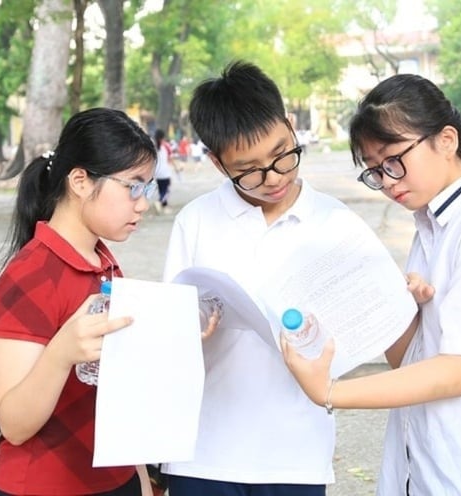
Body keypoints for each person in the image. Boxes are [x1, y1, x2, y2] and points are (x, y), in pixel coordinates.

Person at [282, 74, 461, 495]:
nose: (388, 180)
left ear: (446, 140)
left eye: (394, 159)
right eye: (375, 171)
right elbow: (412, 363)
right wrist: (387, 304)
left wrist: (329, 392)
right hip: (427, 467)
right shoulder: (431, 227)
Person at [161, 61, 412, 496]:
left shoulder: (336, 223)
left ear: (291, 128)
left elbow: (397, 341)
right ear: (219, 163)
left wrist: (409, 300)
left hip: (296, 454)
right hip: (204, 452)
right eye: (251, 169)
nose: (274, 177)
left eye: (282, 155)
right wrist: (186, 331)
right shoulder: (196, 221)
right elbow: (169, 337)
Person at [0, 108, 159, 496]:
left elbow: (118, 395)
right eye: (132, 186)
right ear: (80, 180)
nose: (143, 203)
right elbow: (14, 425)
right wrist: (61, 352)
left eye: (146, 188)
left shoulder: (104, 263)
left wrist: (142, 482)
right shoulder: (30, 276)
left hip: (114, 477)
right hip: (45, 485)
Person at [152, 128, 175, 214]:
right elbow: (171, 158)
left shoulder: (153, 147)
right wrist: (176, 167)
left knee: (162, 189)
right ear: (163, 137)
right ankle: (159, 201)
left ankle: (164, 207)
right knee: (166, 190)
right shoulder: (166, 146)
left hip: (157, 173)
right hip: (165, 172)